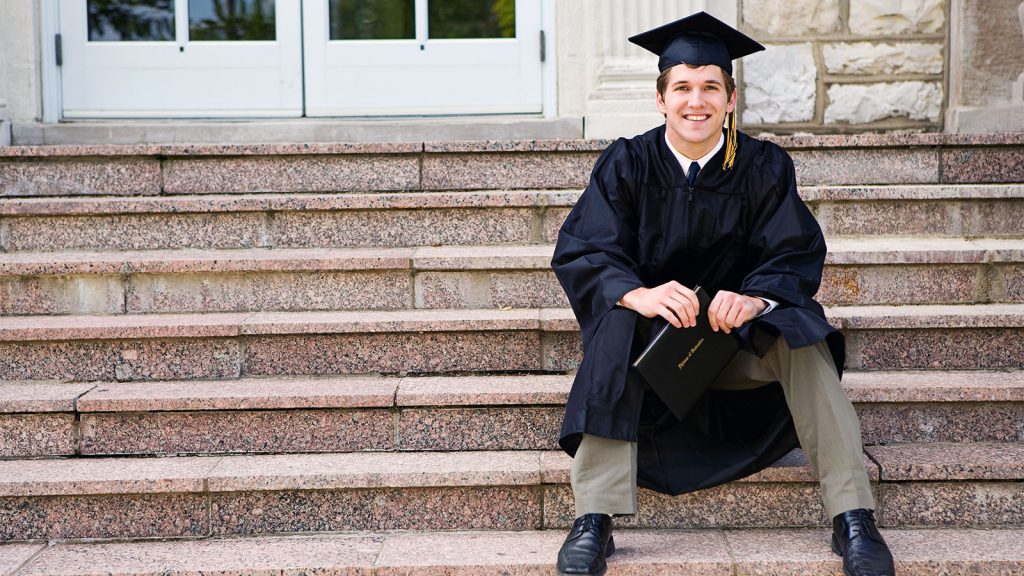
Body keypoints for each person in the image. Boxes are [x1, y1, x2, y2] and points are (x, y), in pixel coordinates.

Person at [550, 11, 896, 576]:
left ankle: (853, 515)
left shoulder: (764, 167)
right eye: (682, 87)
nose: (696, 101)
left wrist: (756, 299)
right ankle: (595, 517)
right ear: (660, 99)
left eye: (710, 86)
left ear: (730, 99)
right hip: (649, 361)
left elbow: (793, 253)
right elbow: (586, 249)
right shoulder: (627, 163)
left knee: (799, 330)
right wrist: (636, 294)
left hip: (735, 353)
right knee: (615, 318)